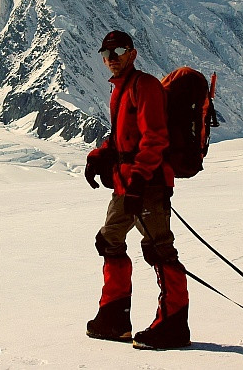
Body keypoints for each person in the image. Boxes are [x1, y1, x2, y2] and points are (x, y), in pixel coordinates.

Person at [84, 30, 191, 350]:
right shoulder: (120, 89)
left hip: (147, 185)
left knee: (160, 248)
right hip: (126, 184)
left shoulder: (144, 87)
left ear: (132, 53)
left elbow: (155, 137)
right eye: (105, 54)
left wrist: (140, 181)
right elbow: (122, 138)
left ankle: (173, 325)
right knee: (110, 239)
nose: (111, 58)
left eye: (117, 51)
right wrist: (99, 157)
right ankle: (114, 320)